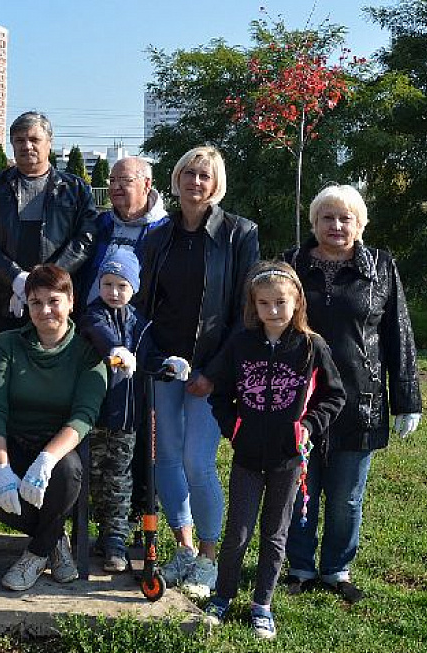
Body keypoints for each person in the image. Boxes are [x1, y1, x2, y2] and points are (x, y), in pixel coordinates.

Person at [282, 184, 423, 603]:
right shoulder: (292, 264)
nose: (337, 225)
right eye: (328, 217)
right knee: (300, 488)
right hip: (301, 399)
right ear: (314, 223)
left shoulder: (381, 267)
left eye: (346, 219)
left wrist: (407, 399)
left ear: (360, 225)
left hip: (361, 401)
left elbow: (399, 333)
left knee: (346, 497)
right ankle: (301, 566)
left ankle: (337, 569)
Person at [135, 144, 259, 598]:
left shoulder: (238, 233)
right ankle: (183, 547)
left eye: (205, 175)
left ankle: (208, 556)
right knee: (165, 457)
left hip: (212, 369)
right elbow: (143, 306)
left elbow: (244, 313)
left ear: (216, 183)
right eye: (189, 173)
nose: (195, 182)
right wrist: (151, 360)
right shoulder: (157, 236)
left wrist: (213, 371)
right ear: (177, 179)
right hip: (165, 367)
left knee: (196, 461)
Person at [199, 262, 345, 640]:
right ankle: (223, 595)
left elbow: (334, 395)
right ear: (254, 305)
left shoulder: (312, 347)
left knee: (274, 535)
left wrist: (307, 427)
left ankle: (262, 604)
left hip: (288, 460)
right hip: (247, 457)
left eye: (281, 302)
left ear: (297, 301)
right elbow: (219, 392)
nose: (273, 311)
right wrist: (234, 427)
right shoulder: (241, 343)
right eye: (264, 304)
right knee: (238, 533)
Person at [0, 264, 108, 591]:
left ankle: (35, 554)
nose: (45, 310)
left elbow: (83, 416)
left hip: (58, 448)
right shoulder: (7, 344)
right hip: (12, 443)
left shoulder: (88, 352)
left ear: (71, 302)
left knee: (66, 474)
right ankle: (53, 540)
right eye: (36, 302)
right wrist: (3, 468)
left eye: (54, 301)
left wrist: (46, 459)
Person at [78, 249, 187, 574]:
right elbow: (102, 336)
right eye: (107, 283)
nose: (113, 292)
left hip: (127, 418)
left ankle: (115, 539)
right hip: (96, 415)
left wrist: (167, 364)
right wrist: (116, 350)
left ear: (134, 289)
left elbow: (147, 356)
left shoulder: (140, 323)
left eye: (121, 285)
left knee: (119, 478)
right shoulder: (92, 315)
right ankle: (89, 535)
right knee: (94, 477)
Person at [0, 111, 98, 333]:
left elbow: (85, 239)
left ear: (49, 143)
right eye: (20, 140)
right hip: (3, 301)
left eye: (34, 139)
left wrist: (44, 282)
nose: (27, 146)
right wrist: (15, 277)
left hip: (55, 303)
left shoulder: (75, 190)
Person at [76, 156, 168, 308]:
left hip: (137, 326)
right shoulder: (100, 223)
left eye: (125, 179)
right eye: (112, 180)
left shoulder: (165, 229)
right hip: (89, 321)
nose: (115, 186)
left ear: (146, 184)